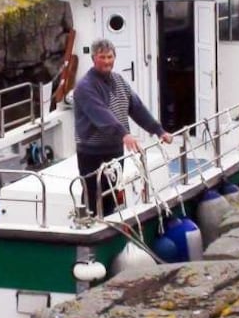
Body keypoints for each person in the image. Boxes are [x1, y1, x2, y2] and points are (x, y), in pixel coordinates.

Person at [74, 38, 174, 216]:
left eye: (110, 57)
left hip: (114, 150)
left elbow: (137, 108)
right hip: (92, 152)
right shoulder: (84, 87)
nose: (106, 61)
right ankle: (89, 227)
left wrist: (158, 130)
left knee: (111, 194)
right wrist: (124, 134)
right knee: (92, 196)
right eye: (102, 57)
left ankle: (110, 225)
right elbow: (101, 114)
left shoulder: (119, 80)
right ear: (93, 58)